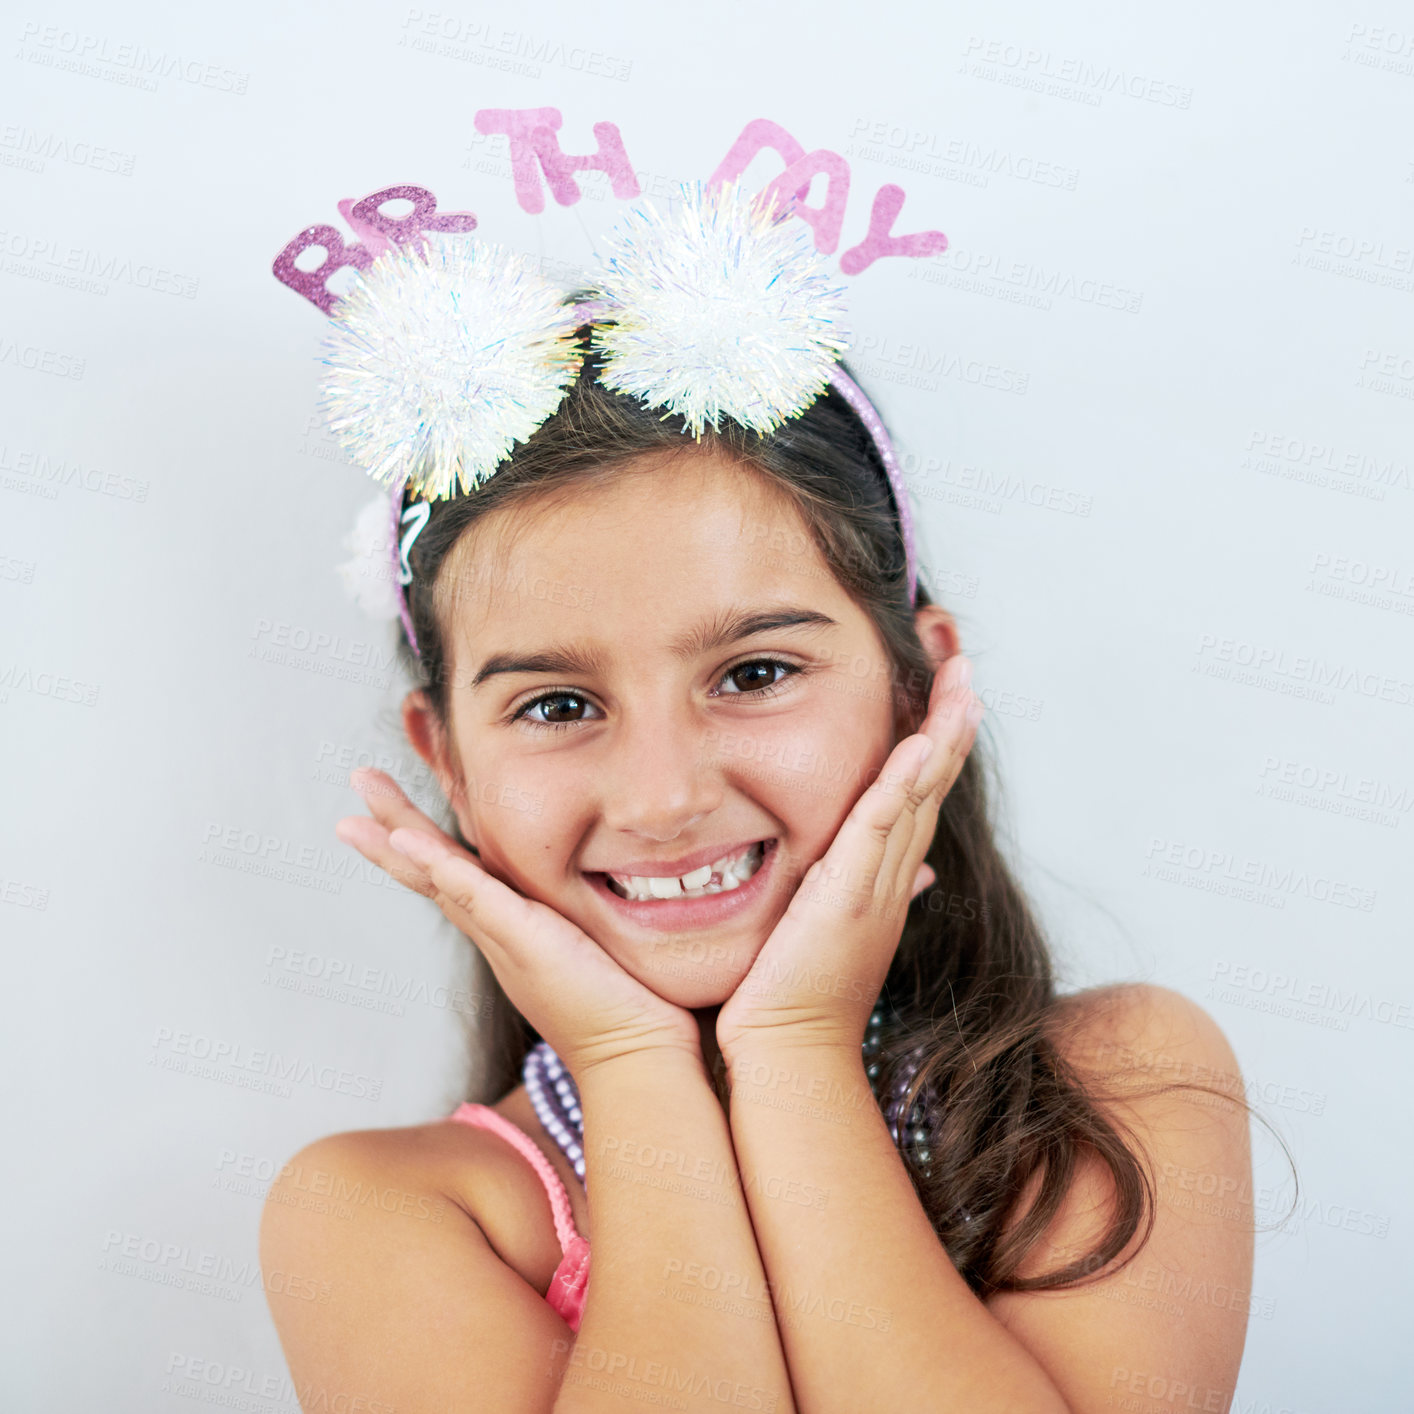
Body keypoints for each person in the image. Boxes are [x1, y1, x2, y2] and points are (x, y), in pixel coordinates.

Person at [260, 182, 1254, 1412]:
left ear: (915, 685)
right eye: (558, 706)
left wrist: (793, 1051)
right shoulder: (391, 1214)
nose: (665, 795)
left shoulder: (1114, 1087)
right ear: (447, 758)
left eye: (756, 672)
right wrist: (629, 1067)